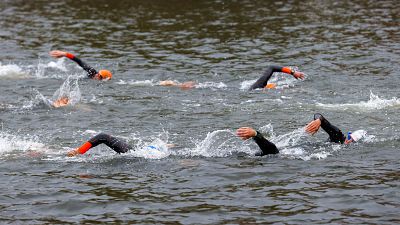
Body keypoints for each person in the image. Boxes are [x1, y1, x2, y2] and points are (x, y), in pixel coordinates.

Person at [67, 133, 174, 156]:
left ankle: (78, 152)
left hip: (135, 152)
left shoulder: (156, 152)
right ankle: (78, 151)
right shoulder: (160, 150)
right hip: (138, 150)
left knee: (102, 136)